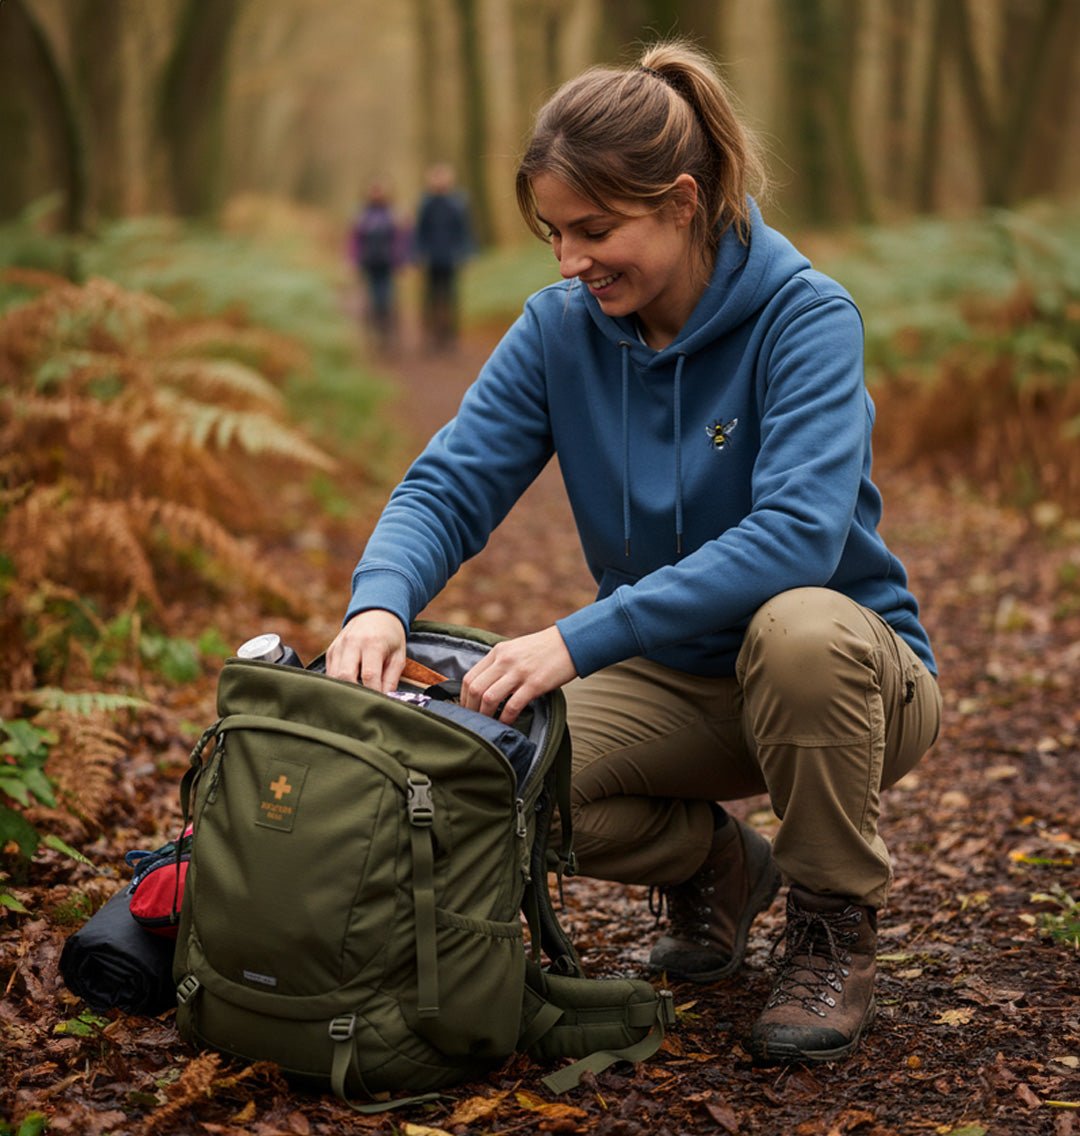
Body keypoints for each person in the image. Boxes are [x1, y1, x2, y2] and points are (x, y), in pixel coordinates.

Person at [326, 40, 941, 1066]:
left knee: (796, 629)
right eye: (554, 233)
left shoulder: (805, 317)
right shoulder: (560, 329)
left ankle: (834, 927)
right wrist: (378, 603)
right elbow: (448, 482)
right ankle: (717, 869)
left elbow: (797, 535)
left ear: (684, 202)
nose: (570, 262)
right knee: (487, 770)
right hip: (680, 681)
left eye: (596, 230)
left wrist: (577, 635)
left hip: (848, 678)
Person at [413, 163, 474, 351]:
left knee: (451, 298)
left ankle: (450, 337)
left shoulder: (458, 203)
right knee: (430, 298)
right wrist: (418, 253)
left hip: (450, 258)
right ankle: (431, 337)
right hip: (431, 259)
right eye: (436, 178)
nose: (440, 182)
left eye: (443, 177)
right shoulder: (426, 203)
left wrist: (465, 252)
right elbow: (420, 231)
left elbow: (464, 230)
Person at [350, 180, 409, 352]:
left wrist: (402, 260)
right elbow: (354, 240)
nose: (376, 194)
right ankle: (375, 337)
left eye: (380, 191)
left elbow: (402, 239)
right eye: (374, 191)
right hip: (369, 263)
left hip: (388, 264)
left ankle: (388, 336)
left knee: (387, 300)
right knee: (372, 301)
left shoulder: (394, 214)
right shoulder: (362, 215)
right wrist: (353, 260)